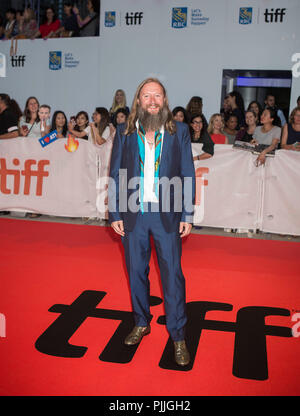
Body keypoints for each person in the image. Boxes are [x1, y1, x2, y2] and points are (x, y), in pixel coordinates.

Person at [108, 78, 195, 367]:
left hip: (167, 216)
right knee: (136, 272)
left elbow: (187, 174)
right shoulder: (124, 132)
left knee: (172, 276)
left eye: (157, 95)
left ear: (165, 100)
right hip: (133, 215)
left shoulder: (179, 131)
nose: (152, 100)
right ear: (138, 101)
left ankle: (178, 335)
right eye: (147, 96)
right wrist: (115, 213)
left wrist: (187, 214)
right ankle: (141, 321)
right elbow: (116, 172)